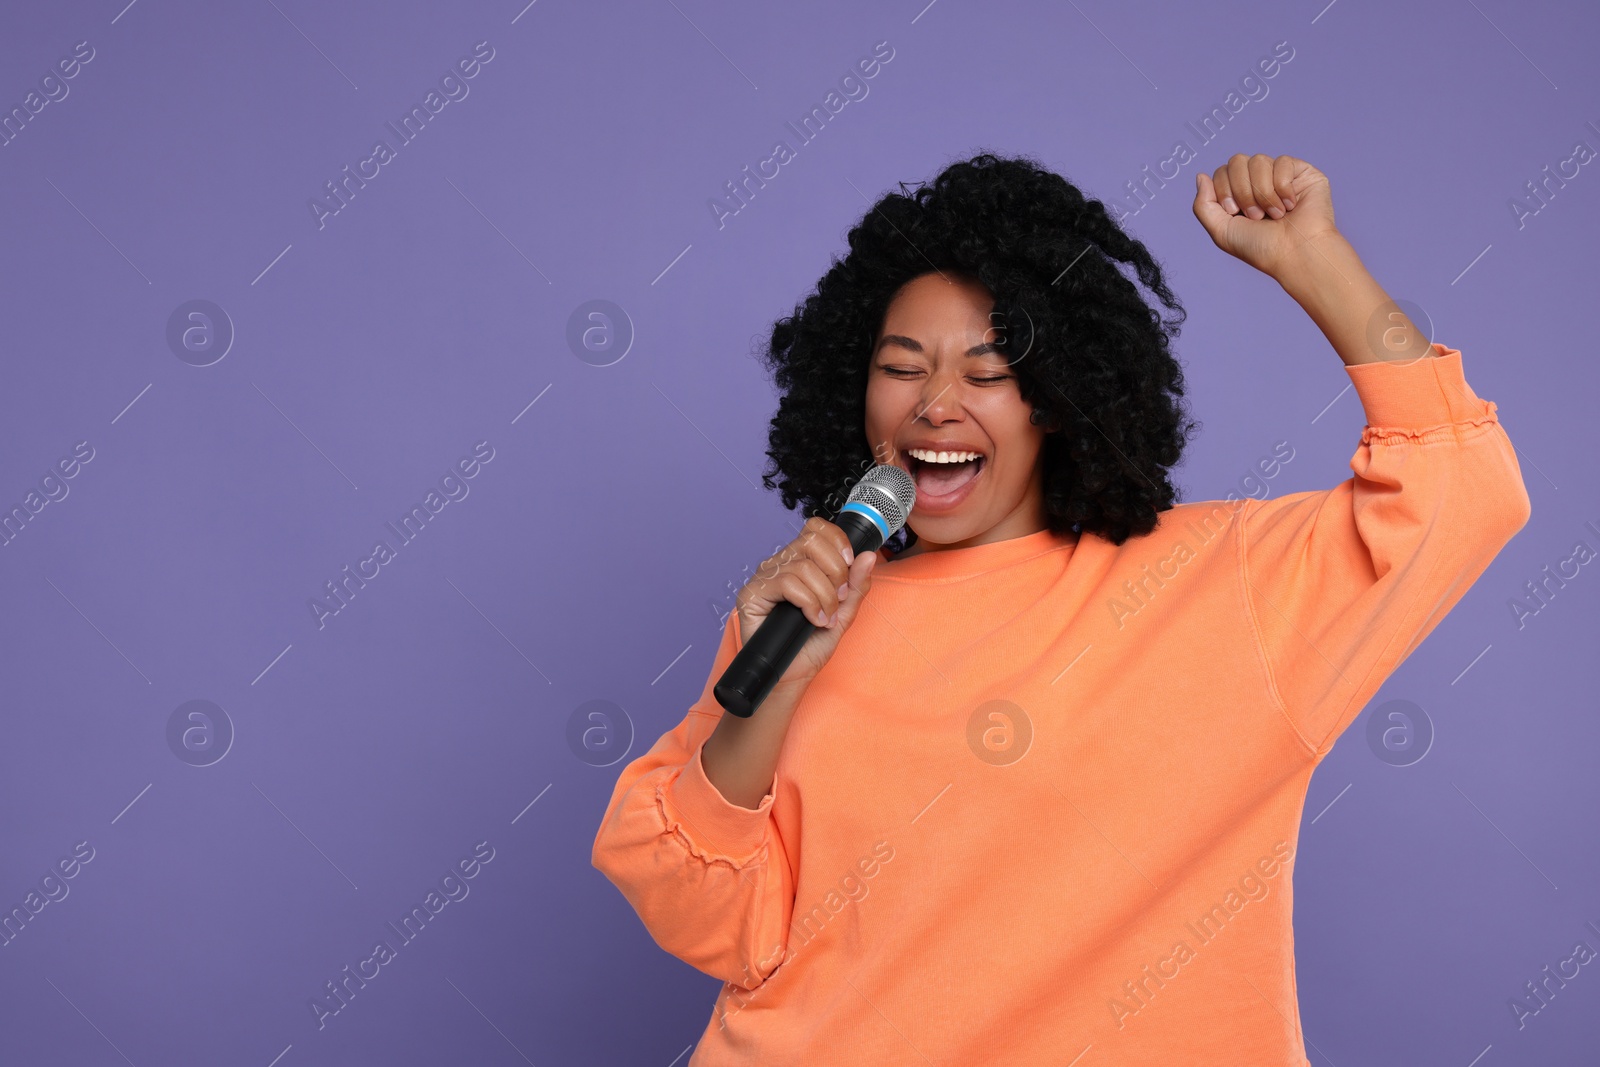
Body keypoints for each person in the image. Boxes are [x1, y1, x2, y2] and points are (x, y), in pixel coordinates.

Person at [591, 152, 1530, 1065]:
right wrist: (779, 685)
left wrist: (1315, 260)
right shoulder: (807, 609)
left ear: (1054, 398)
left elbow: (1462, 485)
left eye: (988, 372)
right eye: (903, 366)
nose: (936, 405)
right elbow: (701, 915)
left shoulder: (1218, 586)